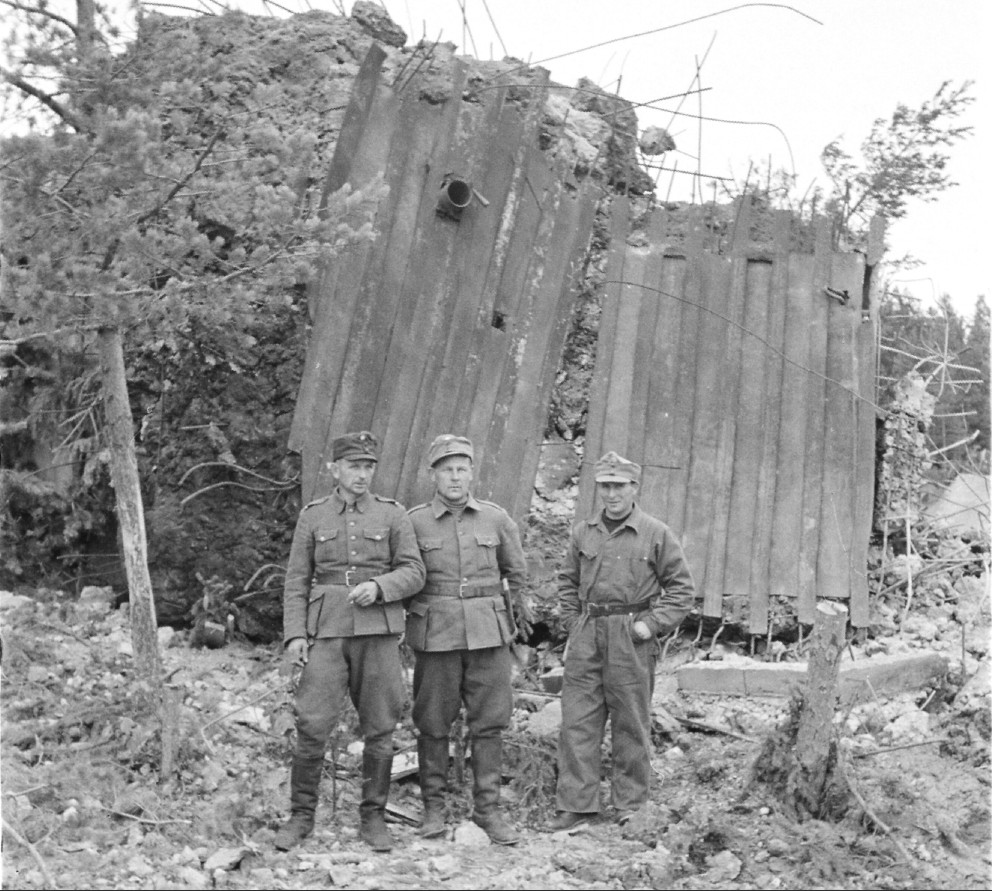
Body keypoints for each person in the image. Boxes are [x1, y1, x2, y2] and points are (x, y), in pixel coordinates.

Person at [275, 431, 425, 852]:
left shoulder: (393, 514)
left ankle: (373, 817)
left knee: (381, 725)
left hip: (378, 631)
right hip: (326, 632)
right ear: (334, 469)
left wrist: (380, 587)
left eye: (368, 467)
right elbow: (296, 580)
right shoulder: (313, 516)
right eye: (354, 467)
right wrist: (294, 635)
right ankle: (301, 816)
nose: (362, 475)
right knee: (312, 722)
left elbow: (415, 571)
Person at [548, 451, 696, 831]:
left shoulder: (655, 533)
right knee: (578, 720)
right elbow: (567, 581)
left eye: (619, 486)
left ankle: (630, 805)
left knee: (631, 720)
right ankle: (577, 806)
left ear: (634, 487)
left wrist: (650, 625)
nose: (612, 494)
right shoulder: (583, 532)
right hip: (588, 632)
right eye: (605, 486)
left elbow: (682, 590)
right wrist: (573, 623)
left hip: (631, 635)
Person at [406, 434, 532, 845]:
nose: (455, 477)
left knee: (490, 722)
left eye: (462, 469)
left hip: (488, 634)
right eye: (447, 470)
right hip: (436, 634)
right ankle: (433, 809)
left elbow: (516, 573)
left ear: (472, 472)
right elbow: (404, 575)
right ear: (433, 475)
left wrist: (511, 619)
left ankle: (488, 810)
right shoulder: (414, 522)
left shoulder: (495, 519)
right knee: (432, 722)